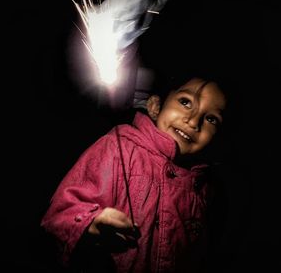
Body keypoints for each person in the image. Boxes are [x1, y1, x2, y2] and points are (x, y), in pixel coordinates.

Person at [41, 73, 232, 272]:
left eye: (211, 118)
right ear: (155, 107)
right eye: (185, 102)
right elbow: (60, 215)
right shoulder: (119, 146)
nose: (193, 122)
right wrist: (90, 226)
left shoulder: (205, 188)